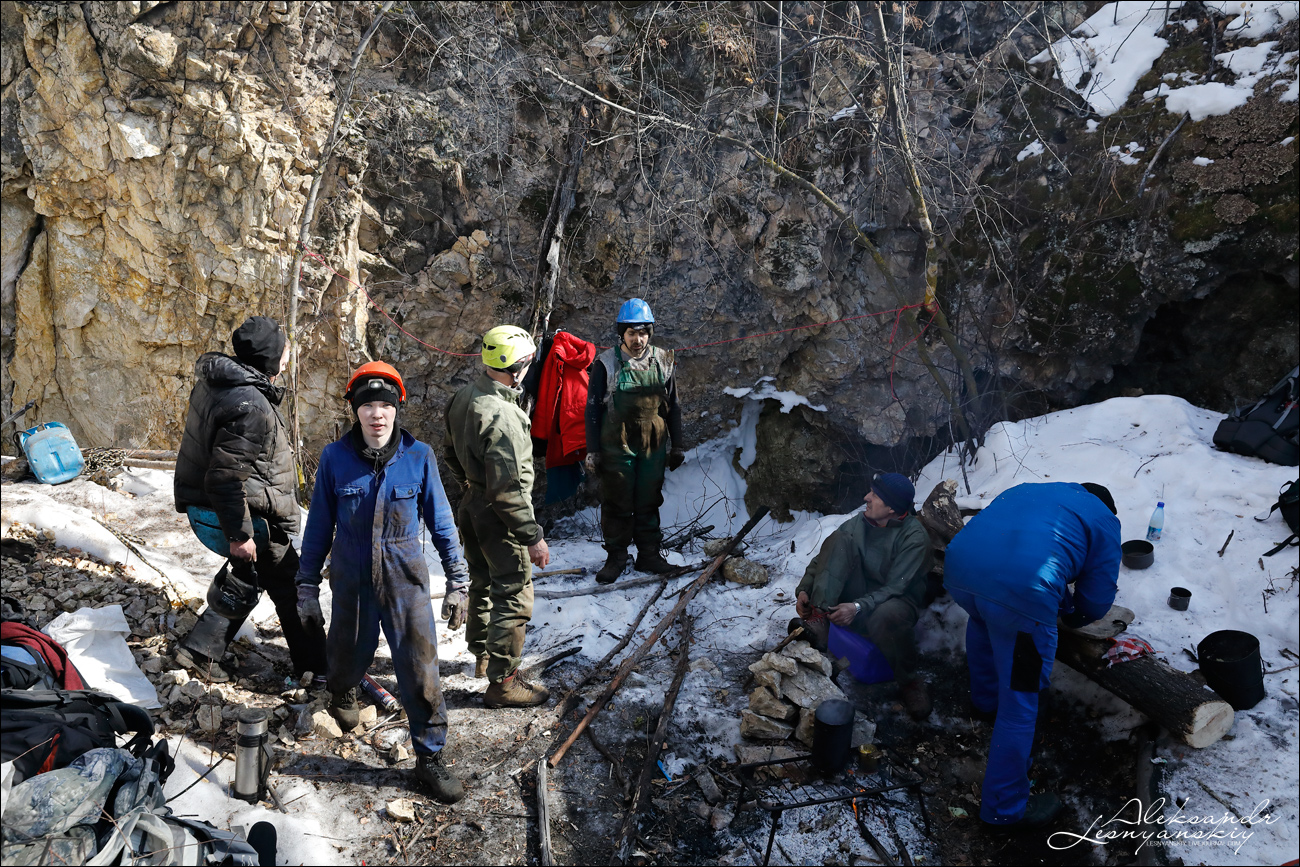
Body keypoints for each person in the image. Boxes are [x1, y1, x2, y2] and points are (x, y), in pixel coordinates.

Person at [294, 361, 470, 803]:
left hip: (405, 578)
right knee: (345, 651)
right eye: (368, 405)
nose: (377, 414)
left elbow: (443, 524)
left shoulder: (420, 457)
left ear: (397, 409)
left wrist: (458, 581)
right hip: (351, 576)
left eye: (385, 405)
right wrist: (306, 587)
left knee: (420, 669)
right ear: (355, 410)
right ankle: (343, 689)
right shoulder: (335, 459)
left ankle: (429, 758)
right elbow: (317, 528)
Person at [943, 482, 1121, 831]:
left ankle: (984, 705)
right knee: (1020, 705)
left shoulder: (1027, 490)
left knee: (984, 619)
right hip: (1023, 589)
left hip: (961, 569)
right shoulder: (1103, 519)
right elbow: (1097, 600)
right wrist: (1072, 618)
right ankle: (1003, 808)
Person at [173, 316, 325, 683]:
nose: (288, 357)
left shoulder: (219, 383)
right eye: (285, 351)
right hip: (244, 513)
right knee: (289, 585)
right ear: (270, 357)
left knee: (252, 575)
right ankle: (319, 668)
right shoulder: (250, 405)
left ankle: (200, 650)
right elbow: (225, 477)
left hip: (216, 506)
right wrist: (240, 536)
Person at [444, 326, 552, 707]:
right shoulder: (503, 415)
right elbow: (508, 490)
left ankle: (483, 657)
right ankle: (503, 683)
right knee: (514, 590)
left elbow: (449, 453)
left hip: (472, 505)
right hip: (498, 514)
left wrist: (470, 487)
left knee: (483, 581)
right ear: (517, 366)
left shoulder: (464, 397)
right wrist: (532, 535)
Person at [791, 472, 935, 720]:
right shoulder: (860, 522)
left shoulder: (914, 538)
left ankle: (909, 682)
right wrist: (805, 589)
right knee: (838, 541)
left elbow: (895, 588)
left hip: (895, 600)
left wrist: (857, 607)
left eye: (875, 495)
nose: (866, 497)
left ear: (892, 508)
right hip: (860, 593)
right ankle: (820, 617)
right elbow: (822, 559)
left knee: (886, 615)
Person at [585, 299, 686, 584]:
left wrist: (677, 445)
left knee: (648, 497)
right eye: (631, 333)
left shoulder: (664, 360)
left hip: (653, 443)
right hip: (616, 443)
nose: (638, 339)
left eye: (643, 332)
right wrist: (592, 451)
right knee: (617, 498)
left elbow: (674, 406)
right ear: (622, 334)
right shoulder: (606, 363)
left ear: (649, 332)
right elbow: (592, 408)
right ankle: (616, 556)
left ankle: (649, 554)